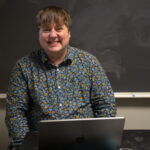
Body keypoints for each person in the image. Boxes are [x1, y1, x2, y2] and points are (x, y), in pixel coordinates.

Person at [5, 6, 117, 150]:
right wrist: (26, 145)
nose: (52, 35)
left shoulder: (89, 63)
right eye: (46, 30)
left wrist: (97, 141)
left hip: (85, 145)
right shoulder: (23, 67)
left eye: (58, 29)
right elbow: (15, 113)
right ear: (39, 34)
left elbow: (106, 105)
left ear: (69, 33)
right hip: (39, 146)